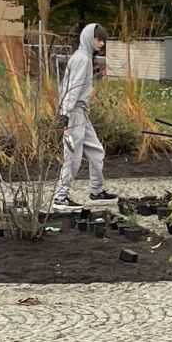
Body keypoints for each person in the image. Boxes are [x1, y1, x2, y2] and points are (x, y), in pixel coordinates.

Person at [53, 23, 115, 208]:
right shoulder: (82, 59)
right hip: (74, 114)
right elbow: (73, 88)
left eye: (103, 40)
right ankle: (60, 197)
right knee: (73, 156)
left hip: (80, 113)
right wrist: (65, 113)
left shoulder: (83, 57)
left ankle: (96, 190)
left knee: (96, 151)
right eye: (99, 39)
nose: (102, 44)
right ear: (89, 38)